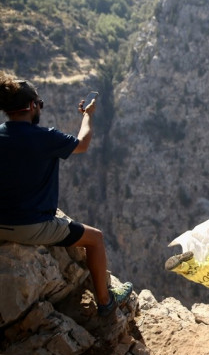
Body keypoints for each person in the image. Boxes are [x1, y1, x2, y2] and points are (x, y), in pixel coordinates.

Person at [0, 72, 132, 316]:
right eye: (39, 103)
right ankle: (106, 301)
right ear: (31, 106)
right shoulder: (43, 137)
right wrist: (88, 116)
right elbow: (83, 143)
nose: (40, 108)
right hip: (30, 225)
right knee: (96, 238)